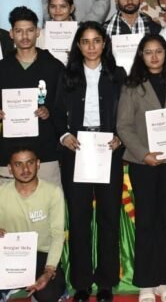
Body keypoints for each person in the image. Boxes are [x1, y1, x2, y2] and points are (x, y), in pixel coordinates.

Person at [117, 34, 166, 302]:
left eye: (158, 51)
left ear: (165, 53)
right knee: (147, 221)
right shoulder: (131, 85)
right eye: (148, 52)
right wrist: (143, 154)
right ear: (141, 55)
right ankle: (146, 283)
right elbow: (124, 126)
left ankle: (164, 281)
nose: (153, 56)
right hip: (144, 163)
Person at [52, 21, 126, 302]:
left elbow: (128, 112)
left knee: (109, 217)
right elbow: (56, 111)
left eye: (96, 41)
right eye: (85, 41)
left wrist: (120, 137)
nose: (91, 46)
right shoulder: (67, 75)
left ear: (104, 44)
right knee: (79, 218)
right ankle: (81, 283)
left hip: (108, 148)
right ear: (78, 45)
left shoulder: (118, 74)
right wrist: (64, 136)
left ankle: (106, 282)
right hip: (77, 149)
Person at [0, 146, 67, 302]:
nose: (25, 169)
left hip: (40, 255)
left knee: (47, 296)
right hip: (9, 255)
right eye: (18, 164)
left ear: (38, 164)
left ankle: (48, 287)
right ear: (10, 168)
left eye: (30, 163)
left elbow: (57, 235)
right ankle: (0, 292)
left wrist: (49, 271)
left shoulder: (53, 192)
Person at [0, 6, 64, 186]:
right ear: (11, 34)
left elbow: (64, 106)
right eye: (19, 31)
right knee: (11, 203)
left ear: (37, 32)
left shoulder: (54, 66)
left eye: (29, 30)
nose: (25, 36)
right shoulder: (1, 68)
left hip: (45, 151)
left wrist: (49, 111)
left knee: (49, 201)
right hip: (10, 152)